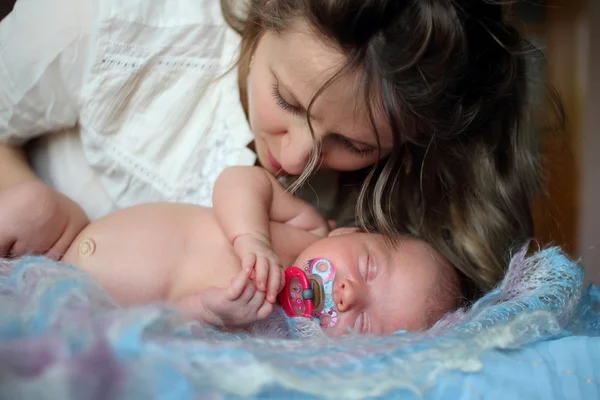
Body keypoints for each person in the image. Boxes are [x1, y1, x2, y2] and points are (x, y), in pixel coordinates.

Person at [0, 0, 562, 299]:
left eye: (353, 143)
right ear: (264, 11)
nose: (298, 161)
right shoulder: (113, 21)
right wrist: (29, 205)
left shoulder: (364, 230)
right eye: (288, 103)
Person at [61, 166, 460, 336]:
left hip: (74, 312)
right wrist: (252, 238)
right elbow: (239, 180)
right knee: (30, 208)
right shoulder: (307, 228)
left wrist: (207, 311)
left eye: (363, 325)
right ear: (349, 233)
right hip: (65, 235)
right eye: (368, 267)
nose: (349, 293)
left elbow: (160, 325)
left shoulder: (276, 338)